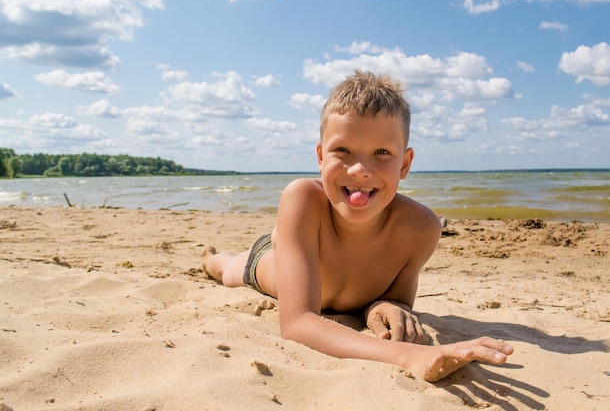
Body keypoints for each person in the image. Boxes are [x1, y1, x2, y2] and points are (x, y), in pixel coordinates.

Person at [202, 70, 513, 382]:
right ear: (321, 156)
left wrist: (384, 307)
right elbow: (297, 323)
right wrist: (410, 354)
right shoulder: (302, 197)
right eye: (343, 151)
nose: (361, 169)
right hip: (268, 258)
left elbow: (398, 299)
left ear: (404, 164)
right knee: (226, 269)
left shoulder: (420, 228)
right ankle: (211, 257)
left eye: (381, 153)